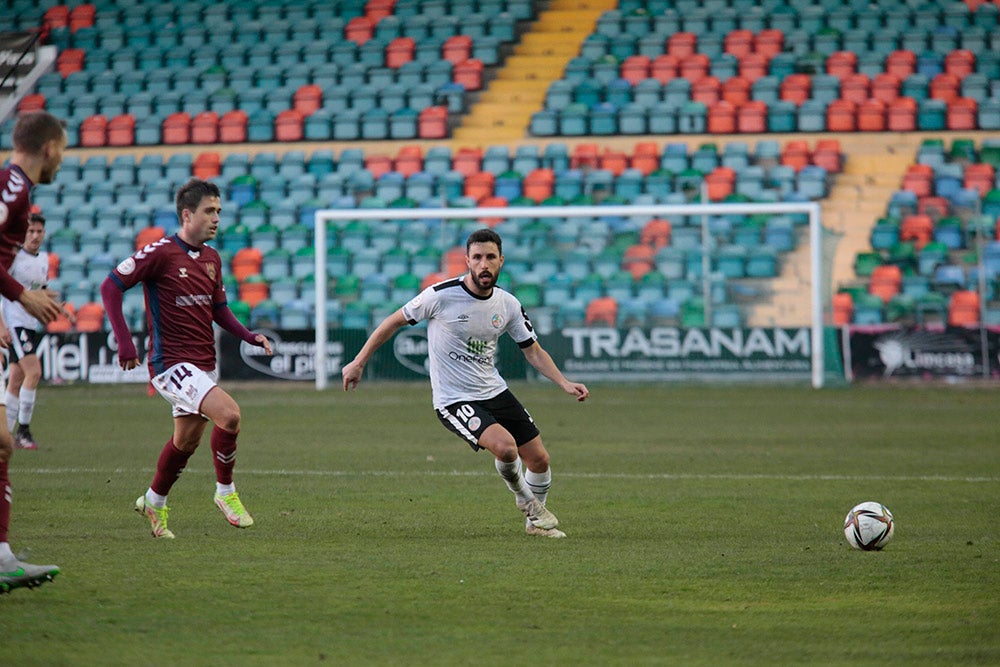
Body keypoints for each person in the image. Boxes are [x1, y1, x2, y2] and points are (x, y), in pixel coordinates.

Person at [342, 228, 589, 538]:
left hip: (494, 390)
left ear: (501, 260)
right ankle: (526, 501)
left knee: (539, 459)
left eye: (490, 257)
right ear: (467, 261)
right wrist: (359, 361)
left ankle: (534, 526)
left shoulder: (508, 304)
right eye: (477, 258)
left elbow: (533, 351)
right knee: (505, 448)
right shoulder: (440, 295)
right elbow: (393, 321)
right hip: (454, 399)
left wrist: (563, 382)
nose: (483, 264)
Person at [100, 178, 273, 539]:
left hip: (203, 365)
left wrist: (248, 335)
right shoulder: (160, 253)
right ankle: (226, 493)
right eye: (209, 211)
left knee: (185, 443)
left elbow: (219, 310)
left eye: (219, 212)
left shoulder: (212, 258)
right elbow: (110, 286)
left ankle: (153, 501)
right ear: (186, 214)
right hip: (171, 364)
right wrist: (125, 341)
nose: (216, 219)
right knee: (230, 415)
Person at [0, 111, 68, 593]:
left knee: (2, 445)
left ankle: (2, 556)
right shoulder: (14, 190)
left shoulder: (17, 190)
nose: (64, 159)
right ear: (49, 148)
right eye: (63, 149)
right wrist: (20, 296)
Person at [4, 212, 51, 450]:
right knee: (34, 372)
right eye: (30, 231)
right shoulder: (13, 260)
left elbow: (41, 292)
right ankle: (23, 432)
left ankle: (6, 434)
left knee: (16, 379)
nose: (34, 236)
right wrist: (1, 325)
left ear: (44, 234)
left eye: (38, 232)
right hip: (14, 322)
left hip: (29, 324)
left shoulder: (44, 259)